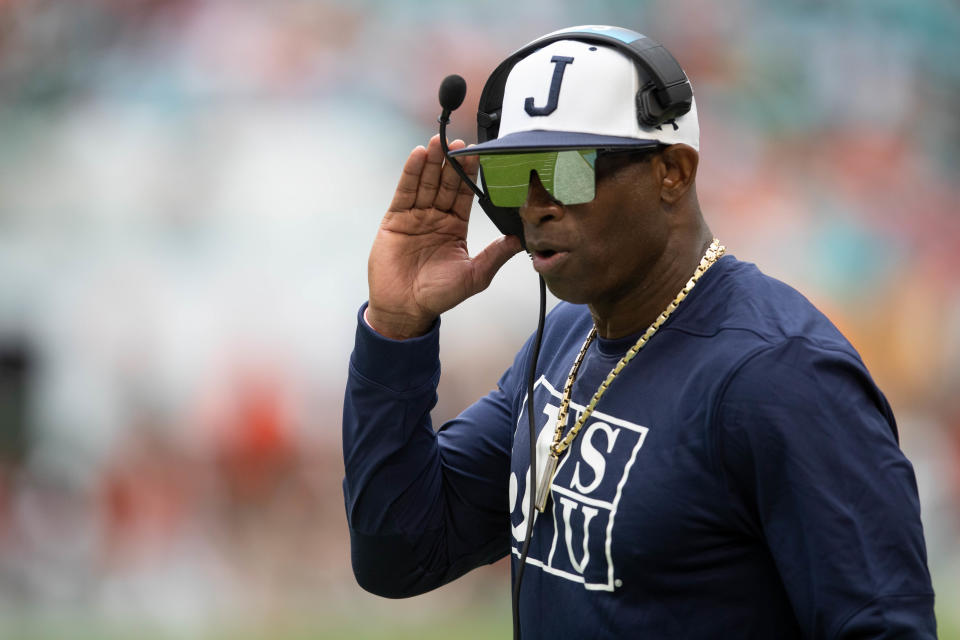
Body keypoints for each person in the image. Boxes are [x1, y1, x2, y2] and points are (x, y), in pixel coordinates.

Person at [341, 26, 936, 638]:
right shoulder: (566, 339)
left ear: (672, 172)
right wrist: (396, 328)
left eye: (569, 169)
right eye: (517, 172)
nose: (537, 204)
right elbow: (400, 551)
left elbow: (885, 626)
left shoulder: (781, 376)